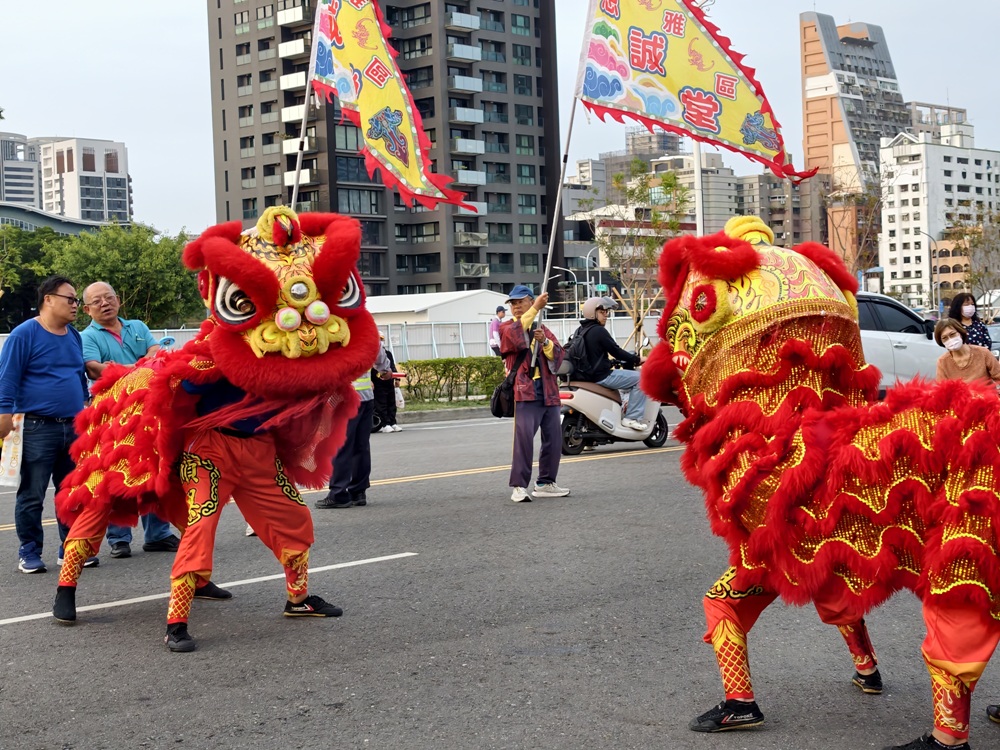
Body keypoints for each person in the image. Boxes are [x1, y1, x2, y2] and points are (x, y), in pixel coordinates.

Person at [79, 281, 180, 558]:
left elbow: (157, 353)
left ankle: (158, 534)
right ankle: (119, 538)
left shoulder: (137, 326)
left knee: (154, 467)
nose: (104, 303)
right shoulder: (87, 336)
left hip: (147, 410)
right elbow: (94, 369)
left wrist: (125, 367)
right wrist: (140, 367)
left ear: (118, 300)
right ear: (87, 309)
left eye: (109, 297)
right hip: (112, 415)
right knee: (116, 472)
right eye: (97, 301)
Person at [0, 276, 91, 573]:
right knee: (32, 493)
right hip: (37, 427)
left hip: (73, 426)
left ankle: (70, 548)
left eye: (76, 300)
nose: (75, 305)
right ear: (48, 299)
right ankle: (29, 551)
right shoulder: (23, 335)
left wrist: (86, 407)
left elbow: (79, 376)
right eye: (70, 299)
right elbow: (7, 377)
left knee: (71, 491)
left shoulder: (73, 335)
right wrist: (3, 414)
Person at [500, 284, 569, 503]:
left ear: (530, 300)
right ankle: (519, 486)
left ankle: (546, 482)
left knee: (553, 439)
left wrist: (545, 342)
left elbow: (558, 355)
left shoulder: (542, 328)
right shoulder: (507, 327)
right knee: (523, 441)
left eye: (521, 302)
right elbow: (513, 337)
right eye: (513, 303)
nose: (516, 306)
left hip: (548, 390)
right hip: (525, 391)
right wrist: (535, 309)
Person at [315, 342, 392, 509]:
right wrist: (385, 369)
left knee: (341, 446)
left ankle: (339, 494)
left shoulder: (336, 332)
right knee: (360, 446)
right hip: (366, 397)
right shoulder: (367, 333)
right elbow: (378, 352)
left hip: (344, 399)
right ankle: (358, 492)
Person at [575, 296, 649, 430]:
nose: (606, 315)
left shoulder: (580, 330)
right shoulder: (598, 331)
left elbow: (593, 356)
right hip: (601, 376)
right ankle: (631, 418)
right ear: (592, 313)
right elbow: (616, 351)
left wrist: (611, 362)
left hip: (587, 376)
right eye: (602, 312)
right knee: (642, 379)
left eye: (606, 312)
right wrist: (638, 359)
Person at [934, 319, 1000, 386]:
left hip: (986, 392)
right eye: (944, 338)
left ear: (960, 332)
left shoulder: (983, 353)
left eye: (952, 334)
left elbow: (998, 375)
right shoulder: (943, 362)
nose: (950, 339)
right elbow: (942, 388)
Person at [372, 334, 401, 433]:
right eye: (379, 339)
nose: (380, 341)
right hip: (378, 382)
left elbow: (392, 366)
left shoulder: (388, 353)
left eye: (382, 339)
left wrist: (397, 379)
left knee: (391, 403)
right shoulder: (372, 354)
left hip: (389, 382)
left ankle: (393, 423)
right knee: (381, 404)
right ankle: (385, 424)